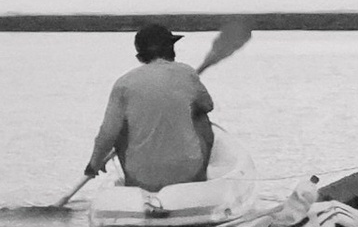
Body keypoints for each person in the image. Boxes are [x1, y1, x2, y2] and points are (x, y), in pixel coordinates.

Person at [75, 21, 250, 196]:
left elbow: (107, 133)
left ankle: (133, 187)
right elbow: (207, 105)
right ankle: (200, 181)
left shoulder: (123, 84)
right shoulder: (186, 73)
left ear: (140, 55)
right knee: (200, 117)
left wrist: (94, 164)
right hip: (187, 175)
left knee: (122, 128)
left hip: (141, 178)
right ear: (170, 49)